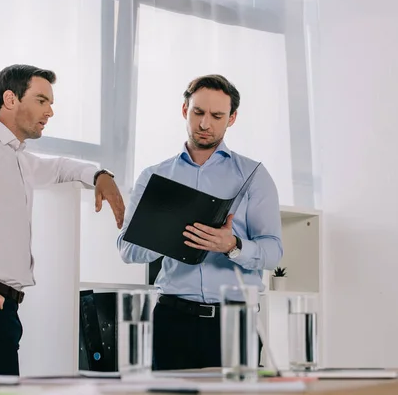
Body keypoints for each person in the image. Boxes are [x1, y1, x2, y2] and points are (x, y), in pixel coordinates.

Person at [0, 64, 125, 379]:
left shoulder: (17, 158)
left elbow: (58, 168)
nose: (51, 111)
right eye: (42, 100)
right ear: (11, 99)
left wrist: (99, 175)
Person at [116, 74, 283, 370]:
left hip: (236, 324)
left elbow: (273, 251)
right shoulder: (155, 176)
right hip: (172, 321)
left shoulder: (253, 175)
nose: (206, 124)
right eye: (198, 112)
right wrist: (167, 235)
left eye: (217, 116)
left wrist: (232, 246)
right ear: (184, 110)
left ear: (232, 118)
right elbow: (127, 249)